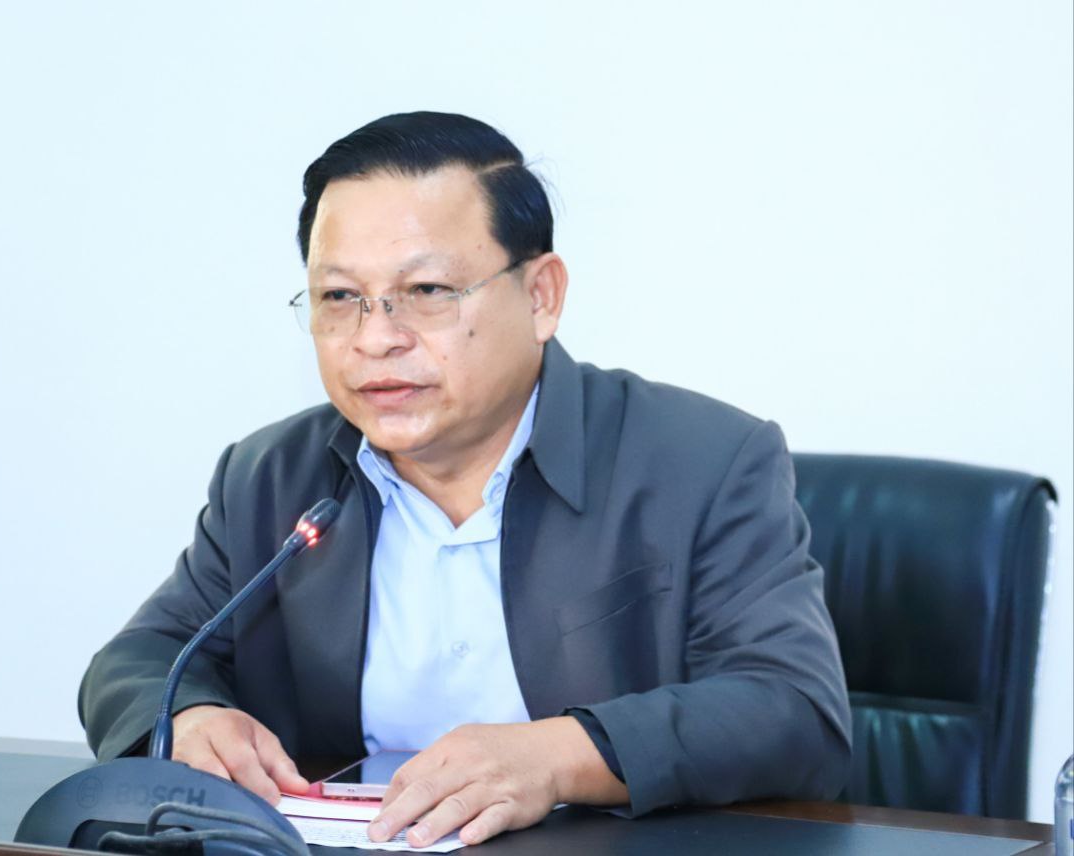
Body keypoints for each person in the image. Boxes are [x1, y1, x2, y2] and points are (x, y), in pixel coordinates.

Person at [79, 111, 851, 848]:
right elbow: (137, 662)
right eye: (340, 298)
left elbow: (793, 712)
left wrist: (558, 756)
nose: (376, 338)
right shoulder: (272, 477)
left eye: (427, 292)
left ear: (541, 296)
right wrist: (189, 718)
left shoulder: (703, 460)